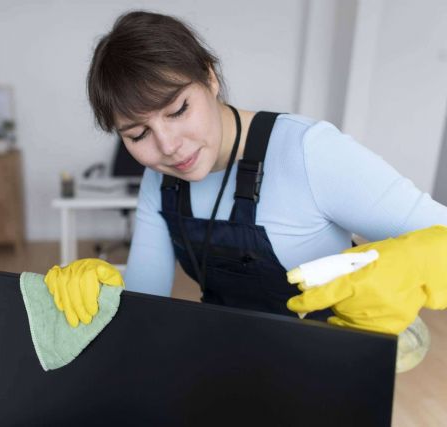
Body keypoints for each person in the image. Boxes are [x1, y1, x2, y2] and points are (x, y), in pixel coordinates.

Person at [44, 11, 447, 334]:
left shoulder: (308, 152)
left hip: (330, 373)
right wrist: (107, 295)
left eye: (178, 110)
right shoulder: (160, 179)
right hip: (231, 367)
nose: (167, 146)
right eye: (138, 134)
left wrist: (417, 263)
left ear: (209, 77)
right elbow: (146, 304)